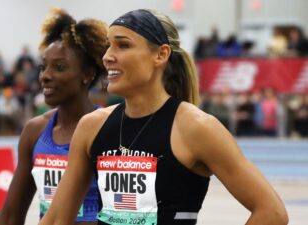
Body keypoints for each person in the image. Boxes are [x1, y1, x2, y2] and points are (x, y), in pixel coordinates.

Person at [39, 9, 288, 225]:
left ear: (160, 55)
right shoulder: (92, 126)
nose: (107, 56)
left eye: (123, 45)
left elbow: (272, 212)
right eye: (108, 45)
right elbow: (56, 218)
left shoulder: (197, 128)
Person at [0, 8, 108, 225]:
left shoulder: (110, 127)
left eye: (59, 67)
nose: (45, 76)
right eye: (43, 67)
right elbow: (9, 217)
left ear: (87, 75)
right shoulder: (35, 131)